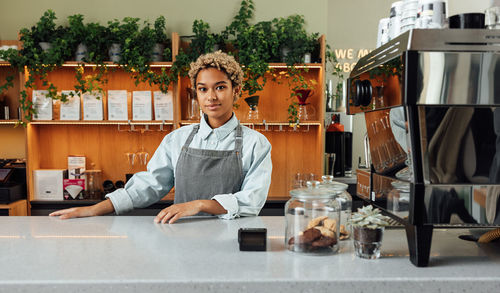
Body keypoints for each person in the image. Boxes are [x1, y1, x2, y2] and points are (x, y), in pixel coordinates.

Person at [50, 51, 272, 224]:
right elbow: (149, 185)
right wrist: (93, 209)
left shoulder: (256, 144)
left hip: (232, 239)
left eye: (220, 87)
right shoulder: (177, 139)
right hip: (183, 235)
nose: (211, 97)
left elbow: (252, 201)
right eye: (203, 89)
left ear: (237, 90)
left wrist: (199, 205)